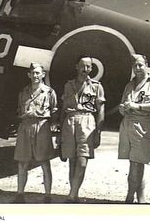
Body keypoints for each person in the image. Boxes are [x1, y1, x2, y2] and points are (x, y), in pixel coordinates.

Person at [118, 54, 150, 203]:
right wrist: (122, 109)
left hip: (144, 125)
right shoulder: (129, 85)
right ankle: (140, 198)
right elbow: (124, 103)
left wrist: (137, 106)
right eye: (135, 66)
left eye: (140, 65)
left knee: (136, 162)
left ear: (146, 65)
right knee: (136, 162)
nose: (137, 68)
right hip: (127, 125)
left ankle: (130, 197)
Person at [60, 56, 105, 203]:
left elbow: (101, 110)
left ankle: (72, 194)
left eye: (89, 67)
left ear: (91, 69)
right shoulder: (68, 85)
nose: (85, 69)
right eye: (83, 66)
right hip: (70, 121)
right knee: (72, 161)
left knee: (82, 160)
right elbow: (63, 109)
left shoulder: (97, 86)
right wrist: (60, 131)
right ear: (77, 66)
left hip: (87, 121)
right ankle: (74, 194)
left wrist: (98, 131)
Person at [13, 63, 58, 203]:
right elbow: (19, 110)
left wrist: (54, 126)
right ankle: (20, 194)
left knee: (44, 161)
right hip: (25, 126)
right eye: (33, 73)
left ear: (43, 74)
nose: (35, 76)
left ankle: (48, 195)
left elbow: (54, 110)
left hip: (42, 126)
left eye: (38, 73)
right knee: (22, 161)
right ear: (29, 75)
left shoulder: (49, 92)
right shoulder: (23, 92)